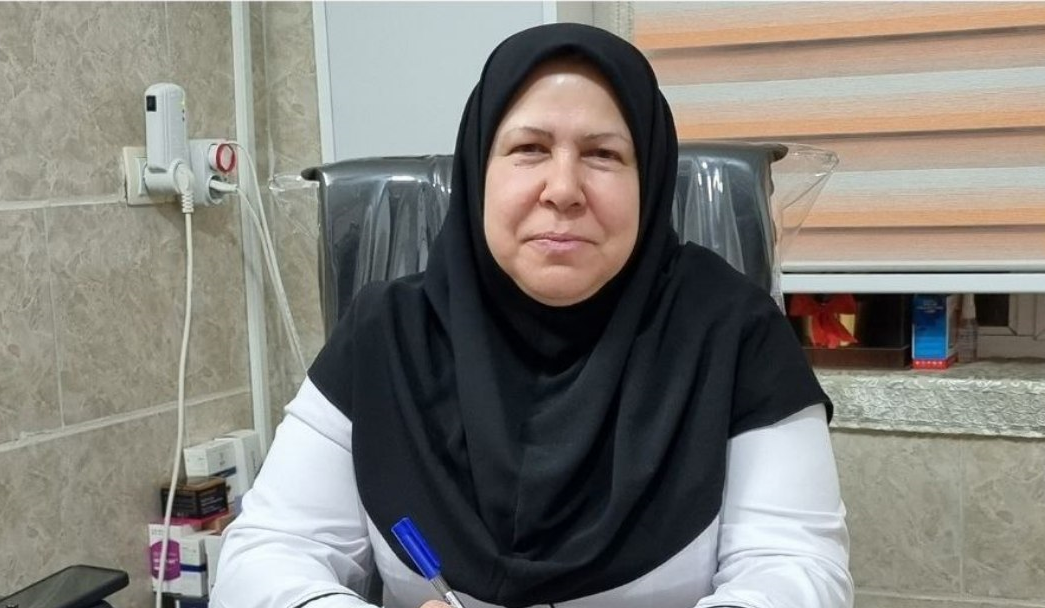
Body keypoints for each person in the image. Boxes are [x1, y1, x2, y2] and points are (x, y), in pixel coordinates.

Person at [212, 23, 852, 608]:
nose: (564, 189)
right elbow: (263, 559)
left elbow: (797, 570)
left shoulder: (735, 334)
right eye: (529, 148)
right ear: (478, 171)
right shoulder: (385, 334)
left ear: (650, 180)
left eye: (603, 154)